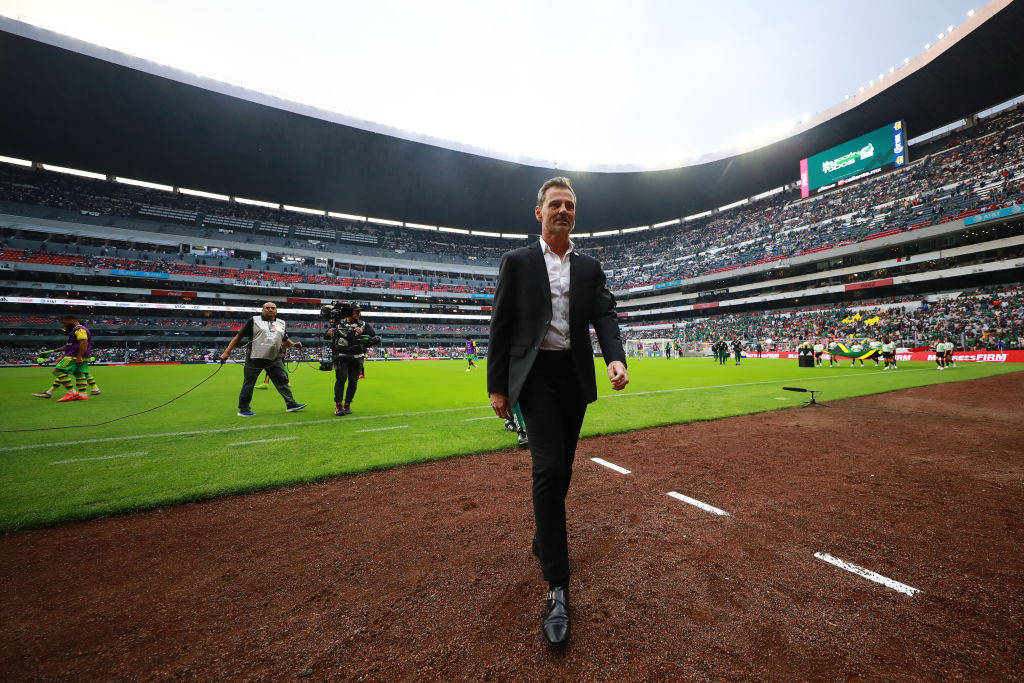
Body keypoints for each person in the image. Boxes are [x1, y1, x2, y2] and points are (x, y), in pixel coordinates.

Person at [487, 176, 628, 648]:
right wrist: (497, 387)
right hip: (535, 378)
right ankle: (558, 585)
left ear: (575, 212)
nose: (562, 210)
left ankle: (543, 538)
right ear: (539, 211)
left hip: (574, 377)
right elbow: (501, 325)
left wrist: (615, 356)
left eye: (569, 204)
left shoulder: (589, 267)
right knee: (547, 469)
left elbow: (604, 315)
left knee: (563, 470)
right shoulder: (518, 261)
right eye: (555, 204)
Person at [220, 301, 306, 416]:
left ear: (276, 310)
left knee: (282, 380)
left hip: (274, 357)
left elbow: (284, 339)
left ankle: (290, 404)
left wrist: (293, 344)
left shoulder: (281, 323)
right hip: (255, 356)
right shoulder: (254, 320)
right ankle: (244, 409)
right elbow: (239, 336)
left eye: (273, 308)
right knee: (249, 382)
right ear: (262, 310)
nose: (270, 310)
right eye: (268, 308)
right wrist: (227, 352)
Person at [31, 314, 98, 401]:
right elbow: (70, 346)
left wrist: (79, 357)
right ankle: (82, 394)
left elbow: (84, 342)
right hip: (78, 355)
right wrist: (52, 352)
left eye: (64, 323)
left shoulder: (79, 329)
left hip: (74, 356)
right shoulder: (77, 330)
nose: (64, 325)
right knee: (79, 374)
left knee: (58, 371)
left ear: (71, 320)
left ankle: (71, 393)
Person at [327, 303, 376, 416]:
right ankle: (338, 405)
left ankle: (347, 404)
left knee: (353, 382)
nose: (358, 313)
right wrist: (329, 333)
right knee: (341, 379)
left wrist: (363, 332)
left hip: (358, 356)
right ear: (349, 312)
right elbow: (328, 335)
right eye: (356, 311)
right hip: (342, 355)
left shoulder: (363, 324)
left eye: (359, 311)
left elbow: (373, 336)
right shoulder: (339, 323)